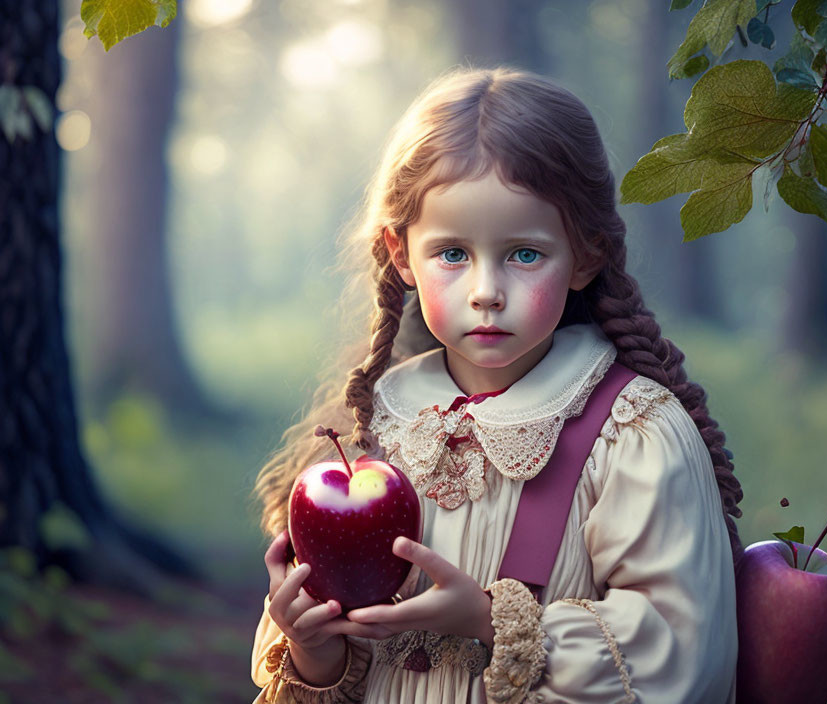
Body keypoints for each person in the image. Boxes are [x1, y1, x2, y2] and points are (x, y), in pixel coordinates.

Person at [250, 65, 744, 703]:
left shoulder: (633, 435)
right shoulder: (378, 434)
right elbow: (329, 678)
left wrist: (490, 622)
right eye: (452, 253)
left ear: (585, 256)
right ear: (401, 254)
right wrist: (317, 652)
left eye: (524, 254)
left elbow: (681, 656)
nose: (485, 292)